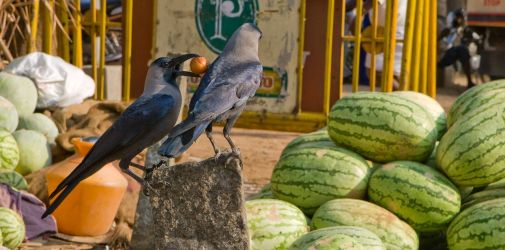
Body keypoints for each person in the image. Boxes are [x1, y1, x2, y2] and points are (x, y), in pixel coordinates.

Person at [347, 0, 408, 90]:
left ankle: (404, 98)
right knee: (383, 74)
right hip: (390, 32)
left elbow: (371, 3)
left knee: (378, 73)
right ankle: (402, 97)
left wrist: (356, 20)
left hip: (386, 34)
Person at [438, 8, 479, 89]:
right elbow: (439, 41)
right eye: (463, 18)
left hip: (447, 54)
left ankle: (469, 81)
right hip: (441, 57)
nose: (464, 20)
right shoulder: (448, 29)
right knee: (462, 50)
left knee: (463, 50)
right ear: (458, 19)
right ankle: (469, 81)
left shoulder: (458, 30)